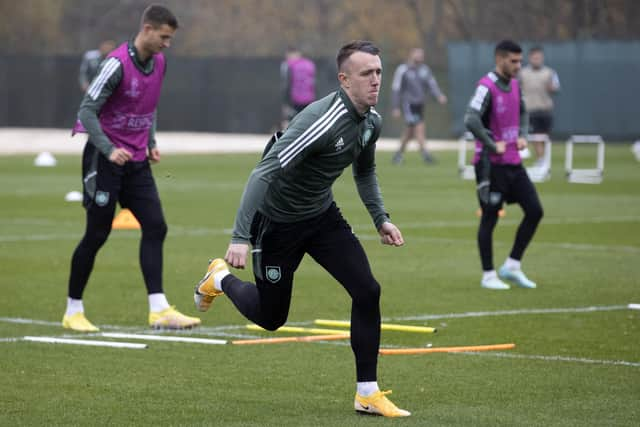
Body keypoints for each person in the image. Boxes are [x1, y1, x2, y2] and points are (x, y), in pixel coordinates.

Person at [194, 40, 410, 417]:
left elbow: (365, 171)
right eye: (366, 74)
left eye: (378, 72)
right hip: (276, 225)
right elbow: (264, 171)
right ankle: (220, 277)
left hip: (322, 217)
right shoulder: (321, 122)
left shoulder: (370, 122)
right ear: (344, 80)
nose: (376, 80)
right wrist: (240, 237)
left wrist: (381, 218)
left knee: (367, 289)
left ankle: (367, 393)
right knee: (272, 318)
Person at [63, 5, 200, 331]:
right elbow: (86, 112)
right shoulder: (116, 65)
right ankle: (73, 311)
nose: (167, 44)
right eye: (164, 37)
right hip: (104, 160)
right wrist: (109, 149)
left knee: (156, 226)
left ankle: (159, 309)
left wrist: (150, 140)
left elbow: (147, 107)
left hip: (137, 161)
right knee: (97, 233)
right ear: (148, 30)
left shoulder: (160, 63)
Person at [464, 40, 544, 290]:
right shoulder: (485, 87)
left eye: (520, 61)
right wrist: (490, 143)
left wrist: (522, 134)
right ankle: (488, 275)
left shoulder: (516, 85)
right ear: (499, 59)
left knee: (535, 211)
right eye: (514, 61)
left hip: (513, 163)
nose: (519, 66)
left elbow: (523, 112)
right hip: (490, 166)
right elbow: (470, 118)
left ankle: (512, 266)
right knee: (490, 217)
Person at [391, 47, 447, 164]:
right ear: (411, 55)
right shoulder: (403, 69)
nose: (420, 57)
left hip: (420, 105)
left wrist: (439, 96)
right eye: (417, 54)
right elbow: (396, 89)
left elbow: (432, 85)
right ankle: (426, 154)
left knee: (410, 132)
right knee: (419, 128)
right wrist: (395, 107)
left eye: (421, 55)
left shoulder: (425, 70)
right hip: (408, 105)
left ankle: (398, 155)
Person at [519, 46, 560, 168]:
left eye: (539, 58)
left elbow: (556, 87)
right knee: (536, 136)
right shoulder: (522, 73)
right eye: (534, 57)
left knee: (545, 138)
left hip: (545, 110)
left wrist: (552, 88)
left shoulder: (550, 72)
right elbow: (516, 88)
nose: (536, 60)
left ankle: (543, 160)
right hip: (530, 110)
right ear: (530, 58)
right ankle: (541, 161)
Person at [279, 46, 316, 130]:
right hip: (309, 99)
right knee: (306, 122)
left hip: (294, 101)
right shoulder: (309, 64)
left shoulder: (287, 65)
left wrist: (285, 103)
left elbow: (286, 85)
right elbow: (313, 84)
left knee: (289, 122)